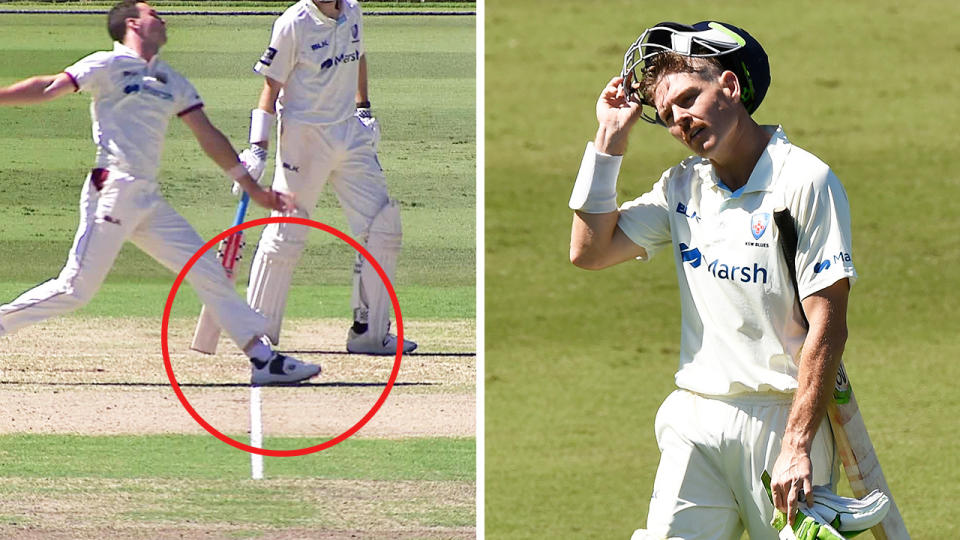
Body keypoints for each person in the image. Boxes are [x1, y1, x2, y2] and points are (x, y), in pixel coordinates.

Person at [569, 21, 858, 539]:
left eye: (688, 98)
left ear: (729, 85)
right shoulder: (684, 186)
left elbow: (828, 326)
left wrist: (796, 444)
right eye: (668, 114)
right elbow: (590, 251)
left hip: (780, 421)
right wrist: (609, 139)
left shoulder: (804, 181)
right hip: (695, 418)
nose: (680, 119)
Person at [0, 0, 321, 386]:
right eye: (154, 14)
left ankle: (263, 358)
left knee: (206, 269)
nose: (164, 18)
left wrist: (254, 188)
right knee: (75, 289)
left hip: (146, 200)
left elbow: (207, 134)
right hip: (113, 190)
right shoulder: (107, 64)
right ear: (133, 24)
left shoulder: (172, 80)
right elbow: (50, 87)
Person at [235, 0, 417, 355]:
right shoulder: (293, 23)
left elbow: (359, 55)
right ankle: (258, 334)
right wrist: (257, 148)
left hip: (350, 132)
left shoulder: (353, 10)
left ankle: (370, 333)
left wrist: (363, 108)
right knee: (287, 233)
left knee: (383, 228)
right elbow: (271, 87)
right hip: (304, 139)